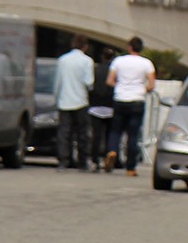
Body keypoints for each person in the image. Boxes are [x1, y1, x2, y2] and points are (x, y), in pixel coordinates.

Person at [104, 36, 156, 177]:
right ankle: (130, 168)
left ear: (129, 47)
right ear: (141, 48)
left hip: (120, 99)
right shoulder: (147, 63)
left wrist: (120, 87)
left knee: (116, 130)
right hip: (137, 100)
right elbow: (151, 85)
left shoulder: (119, 61)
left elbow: (110, 81)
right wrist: (141, 90)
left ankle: (112, 150)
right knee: (133, 135)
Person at [53, 34, 93, 171]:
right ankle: (82, 161)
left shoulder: (63, 60)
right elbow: (89, 82)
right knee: (82, 133)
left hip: (64, 100)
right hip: (80, 100)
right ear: (85, 47)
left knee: (64, 132)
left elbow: (58, 81)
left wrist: (56, 97)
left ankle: (63, 160)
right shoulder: (87, 61)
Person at [87, 47, 115, 171]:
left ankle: (95, 160)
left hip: (95, 106)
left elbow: (90, 86)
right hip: (111, 107)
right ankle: (107, 158)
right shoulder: (114, 71)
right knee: (109, 135)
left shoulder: (95, 70)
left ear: (102, 57)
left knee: (96, 136)